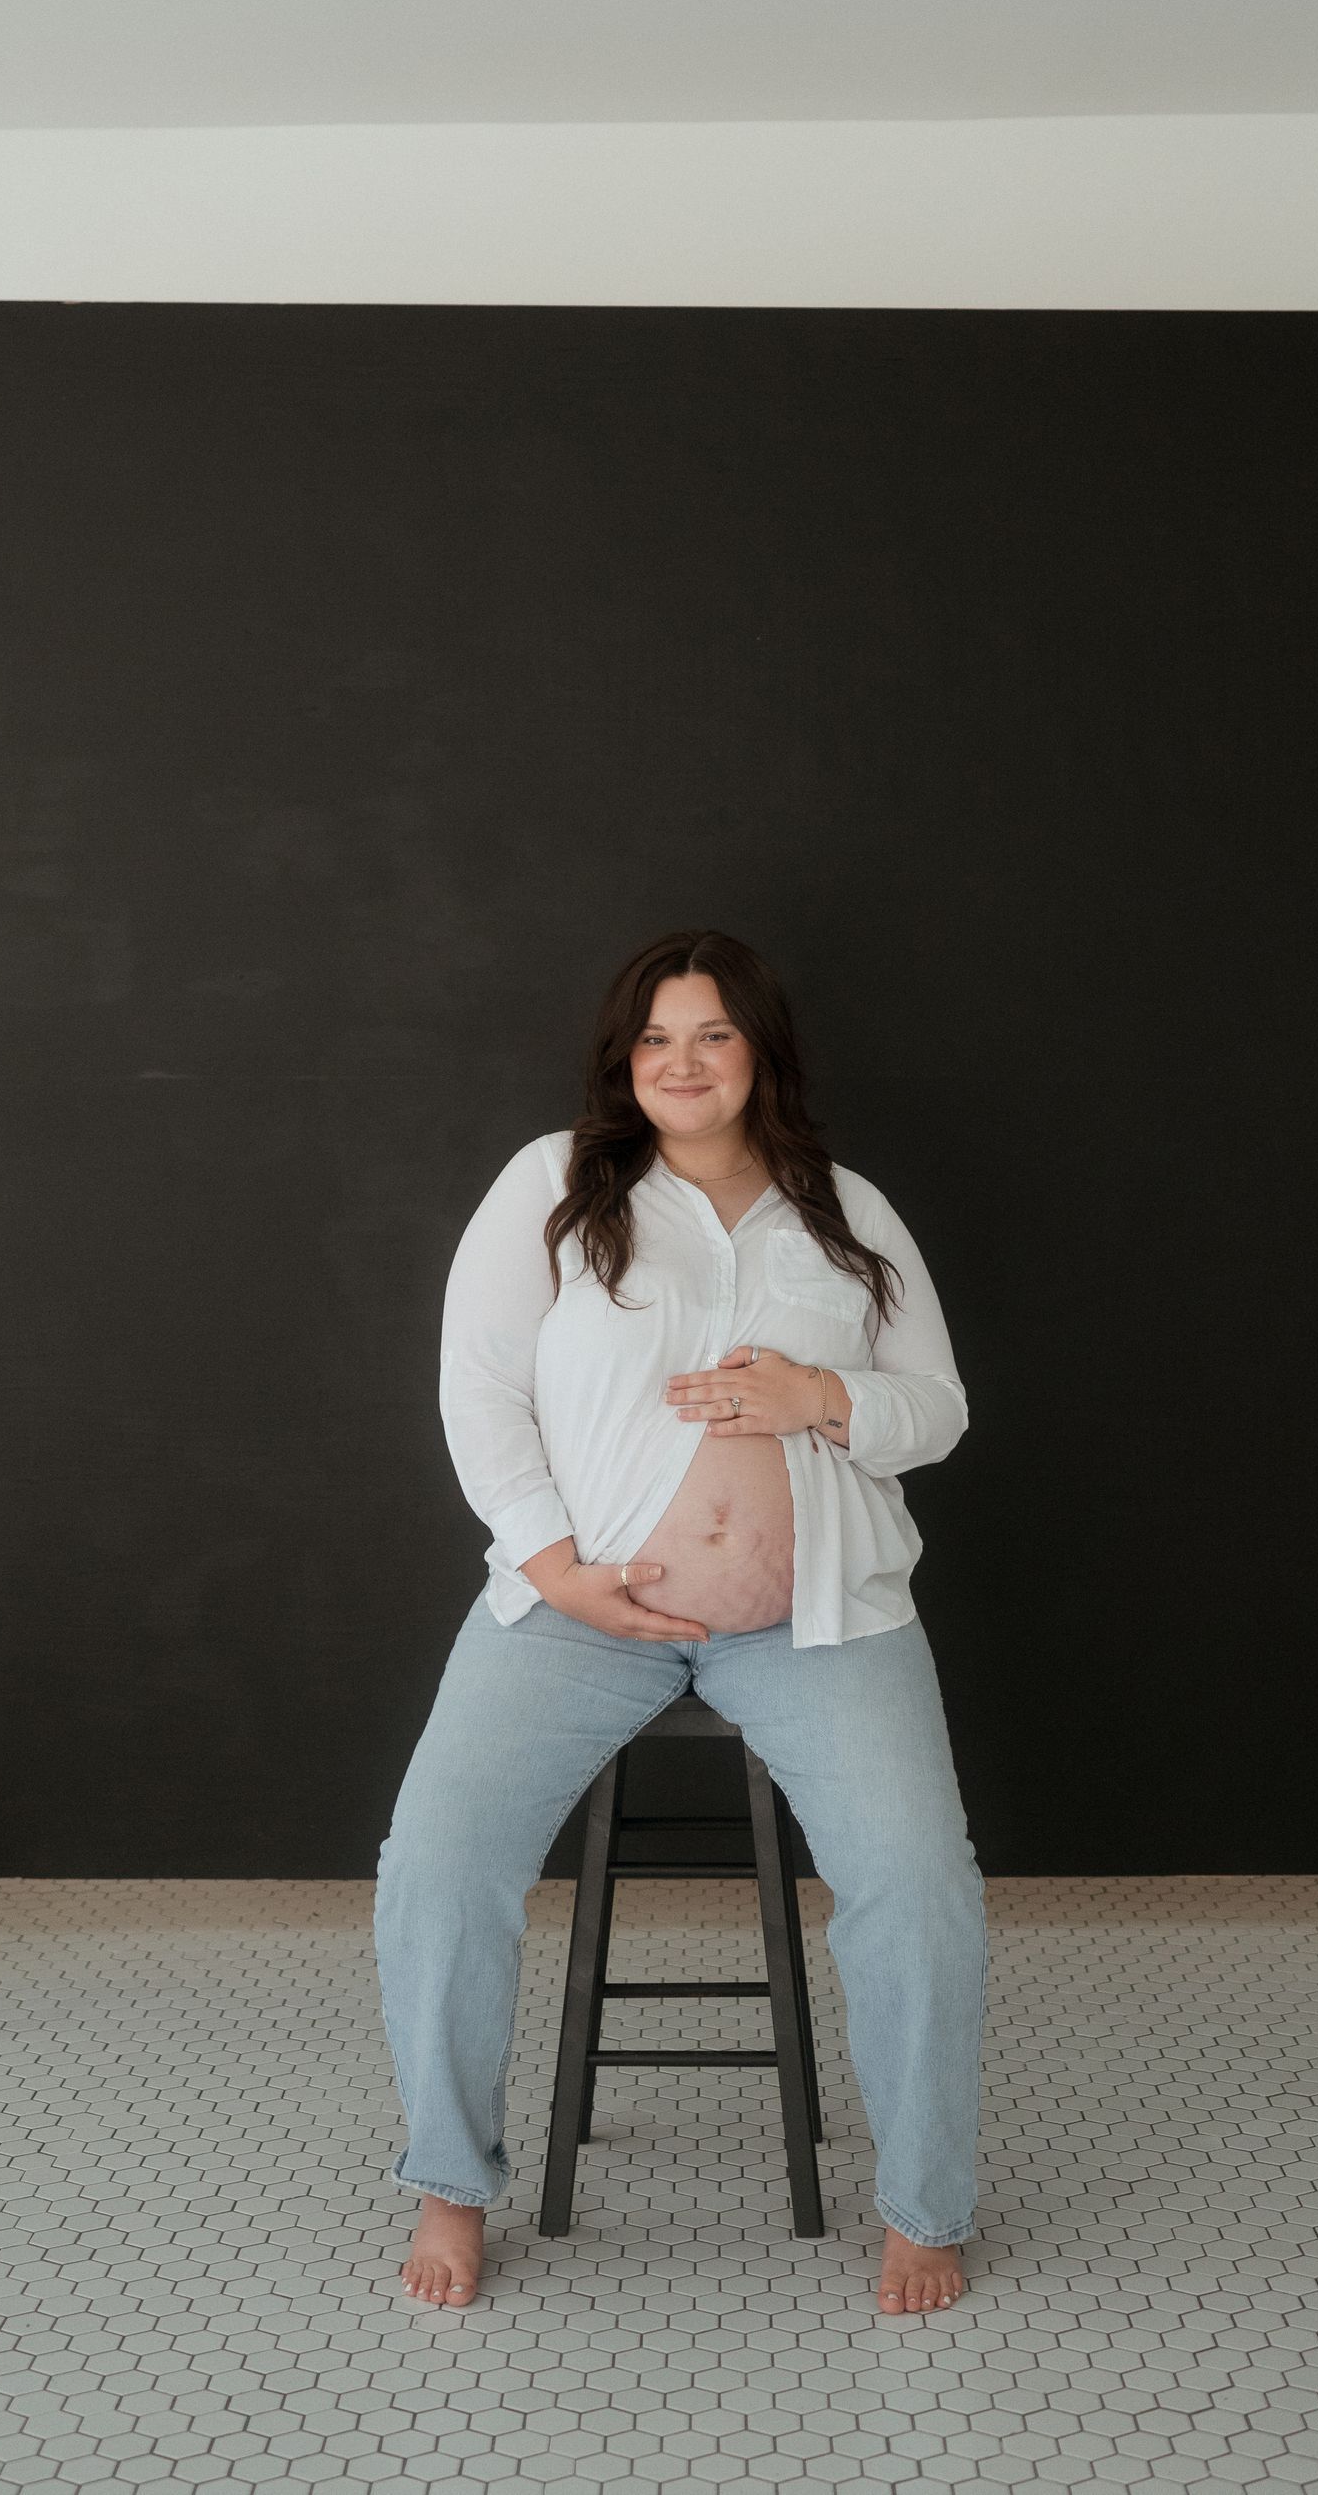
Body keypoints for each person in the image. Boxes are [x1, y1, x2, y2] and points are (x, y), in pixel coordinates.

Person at [374, 927, 987, 2312]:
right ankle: (450, 2179)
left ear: (757, 1047)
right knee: (437, 1857)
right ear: (623, 1060)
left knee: (918, 1881)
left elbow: (937, 1410)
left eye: (709, 1033)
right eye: (654, 1038)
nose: (681, 1061)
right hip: (584, 1607)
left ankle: (926, 2200)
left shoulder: (846, 1211)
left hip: (815, 1618)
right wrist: (550, 1562)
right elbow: (478, 1391)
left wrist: (819, 1400)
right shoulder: (555, 1187)